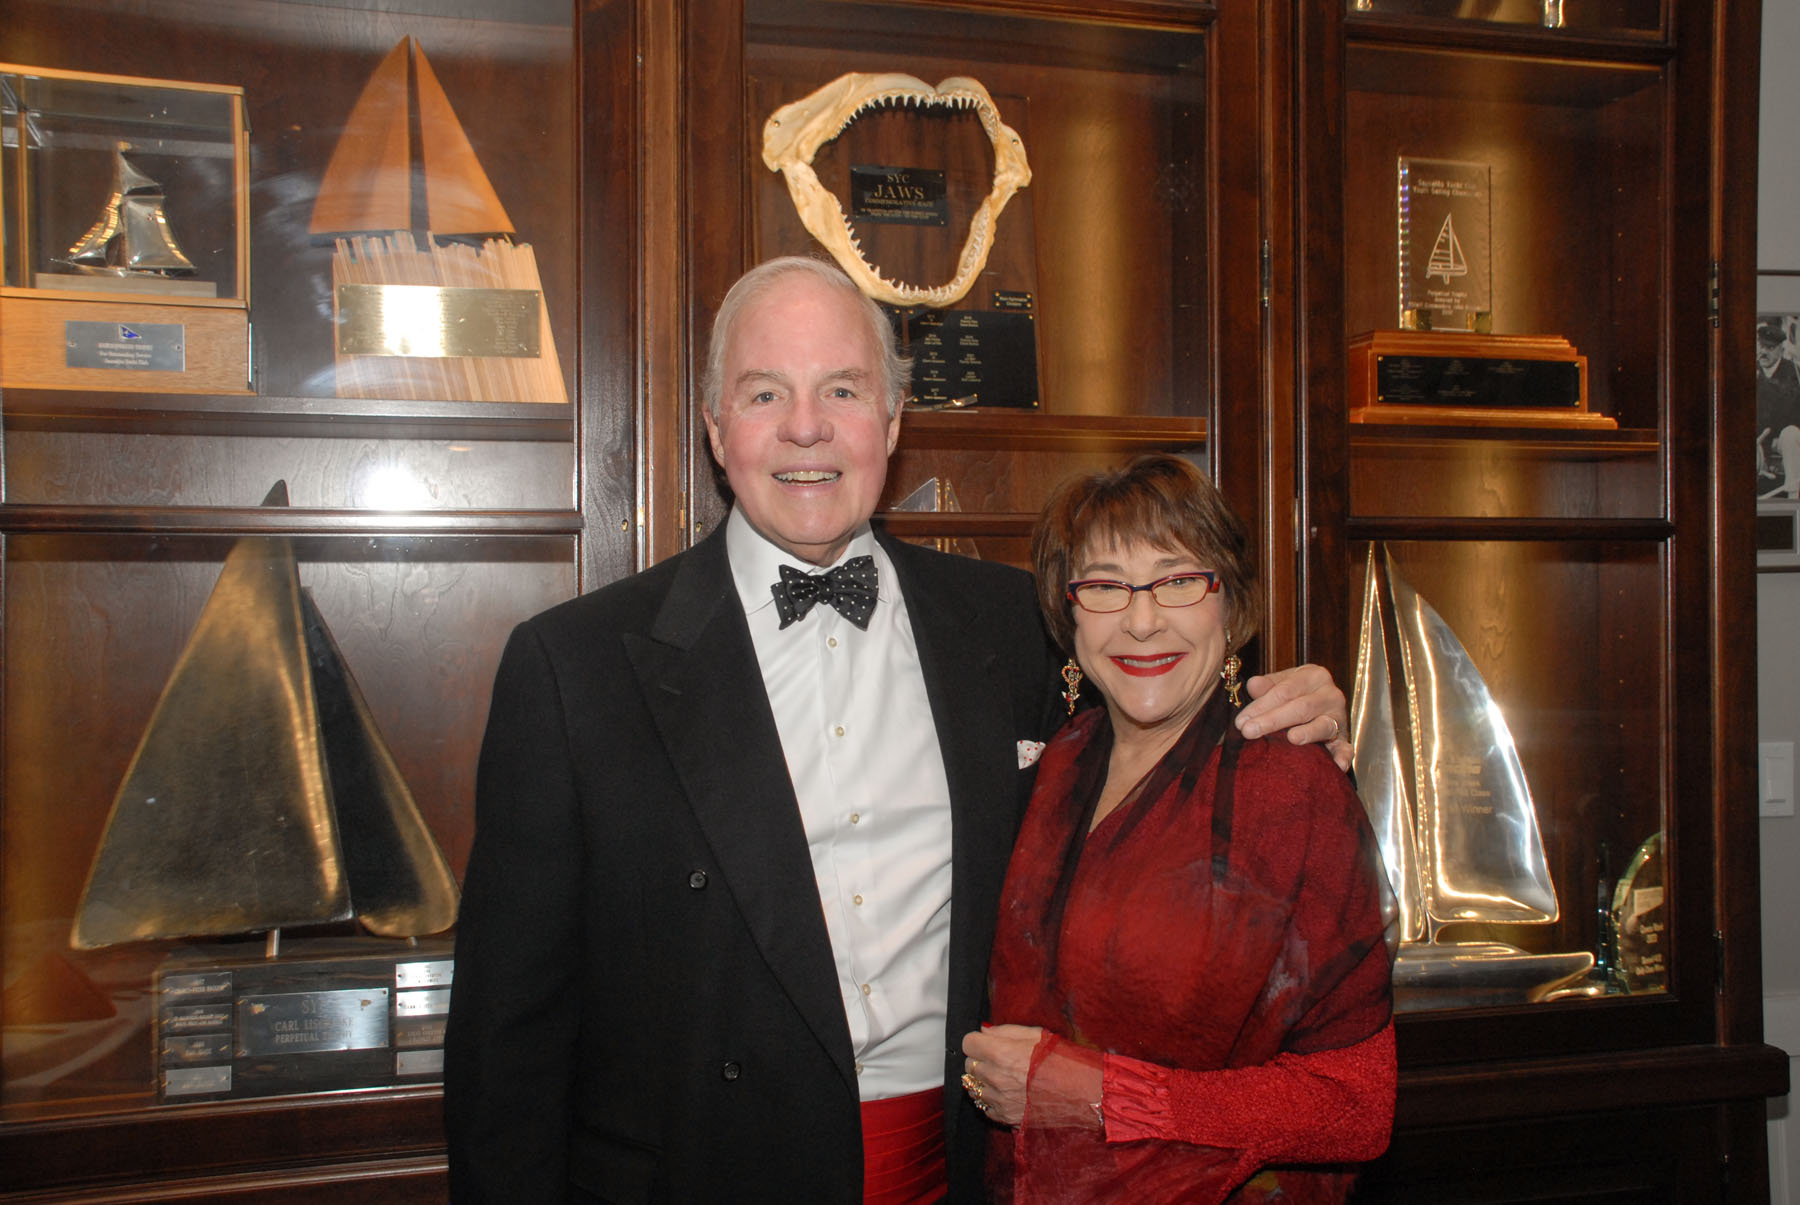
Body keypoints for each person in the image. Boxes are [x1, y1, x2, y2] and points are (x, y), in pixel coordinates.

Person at [444, 256, 1350, 1202]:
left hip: (962, 1169)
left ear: (892, 420)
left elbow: (1162, 778)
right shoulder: (574, 668)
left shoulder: (1018, 625)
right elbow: (507, 1045)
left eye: (842, 389)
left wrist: (1284, 718)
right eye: (765, 392)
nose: (806, 426)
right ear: (715, 427)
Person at [961, 454, 1395, 1204]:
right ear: (1068, 614)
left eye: (1179, 580)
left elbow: (1355, 1106)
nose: (1141, 620)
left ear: (1230, 604)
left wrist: (1100, 1095)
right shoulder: (1056, 764)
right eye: (1104, 585)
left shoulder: (1289, 787)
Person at [1757, 323, 1800, 499]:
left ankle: (1794, 496)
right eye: (1761, 346)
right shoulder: (1748, 371)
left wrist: (1770, 438)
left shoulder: (1794, 373)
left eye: (1770, 348)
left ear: (1781, 350)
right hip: (1756, 438)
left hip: (1782, 437)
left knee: (1790, 434)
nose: (1763, 352)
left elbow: (1793, 412)